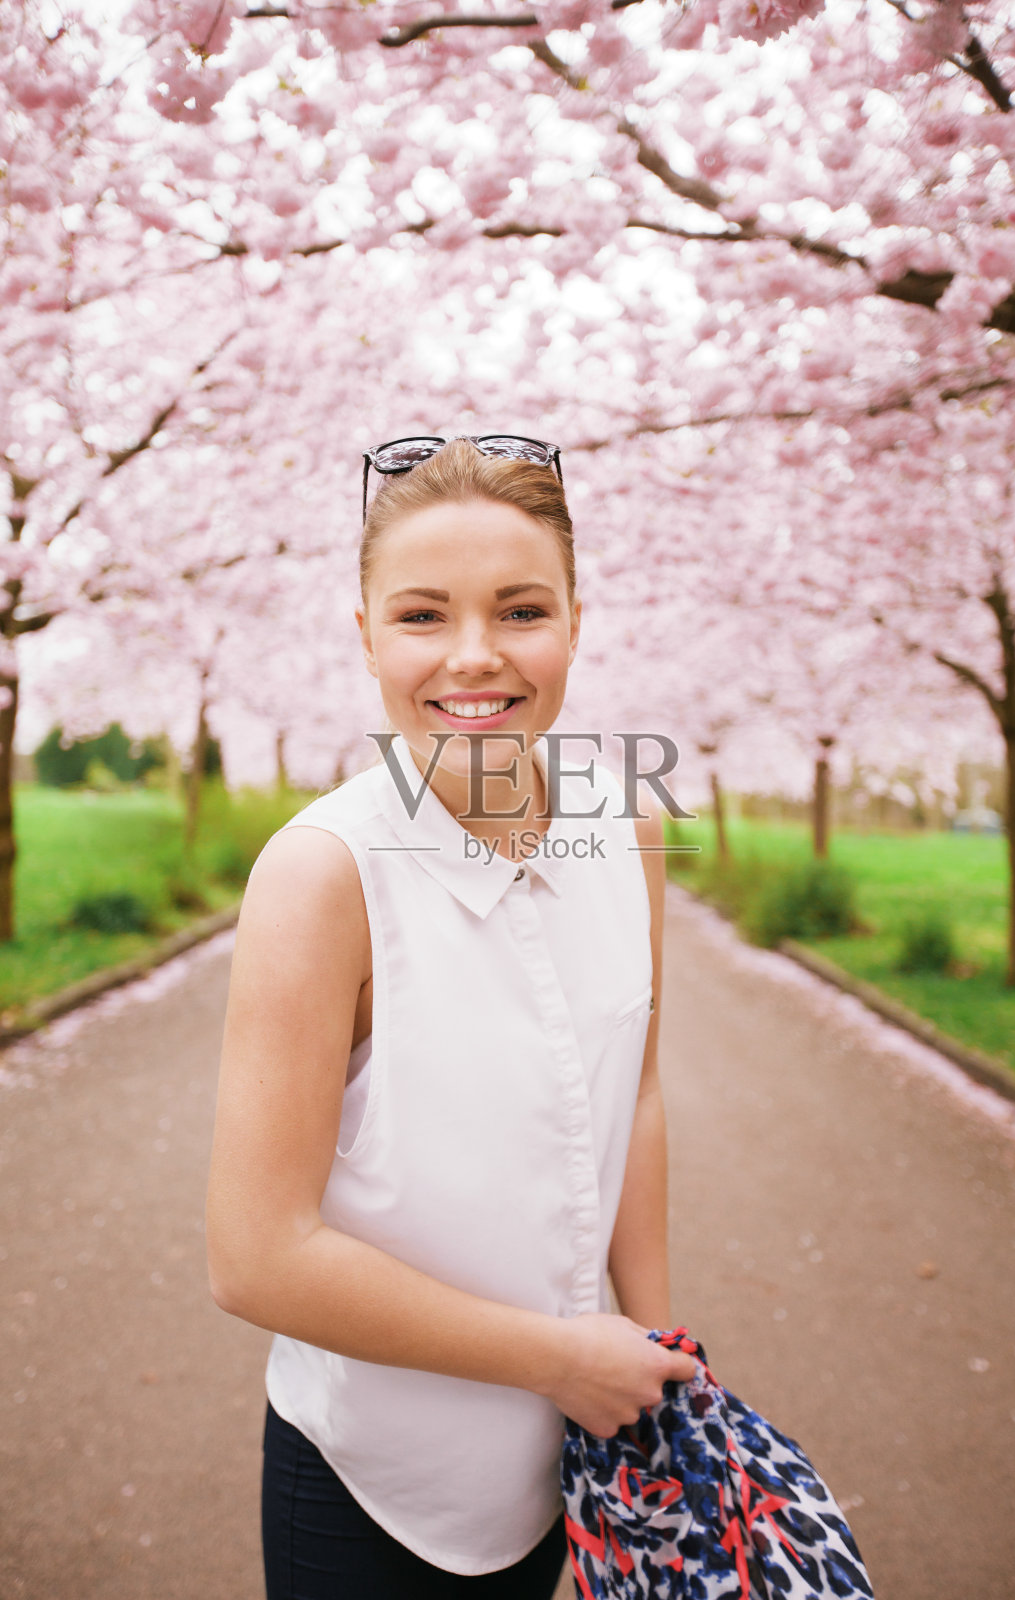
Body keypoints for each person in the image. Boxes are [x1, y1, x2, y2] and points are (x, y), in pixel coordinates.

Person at [205, 434, 698, 1600]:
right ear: (365, 633)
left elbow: (630, 1088)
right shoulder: (323, 876)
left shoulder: (627, 831)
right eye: (422, 616)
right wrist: (563, 1358)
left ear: (575, 618)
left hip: (576, 1457)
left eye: (519, 609)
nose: (473, 657)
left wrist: (661, 1368)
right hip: (374, 1491)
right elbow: (254, 1256)